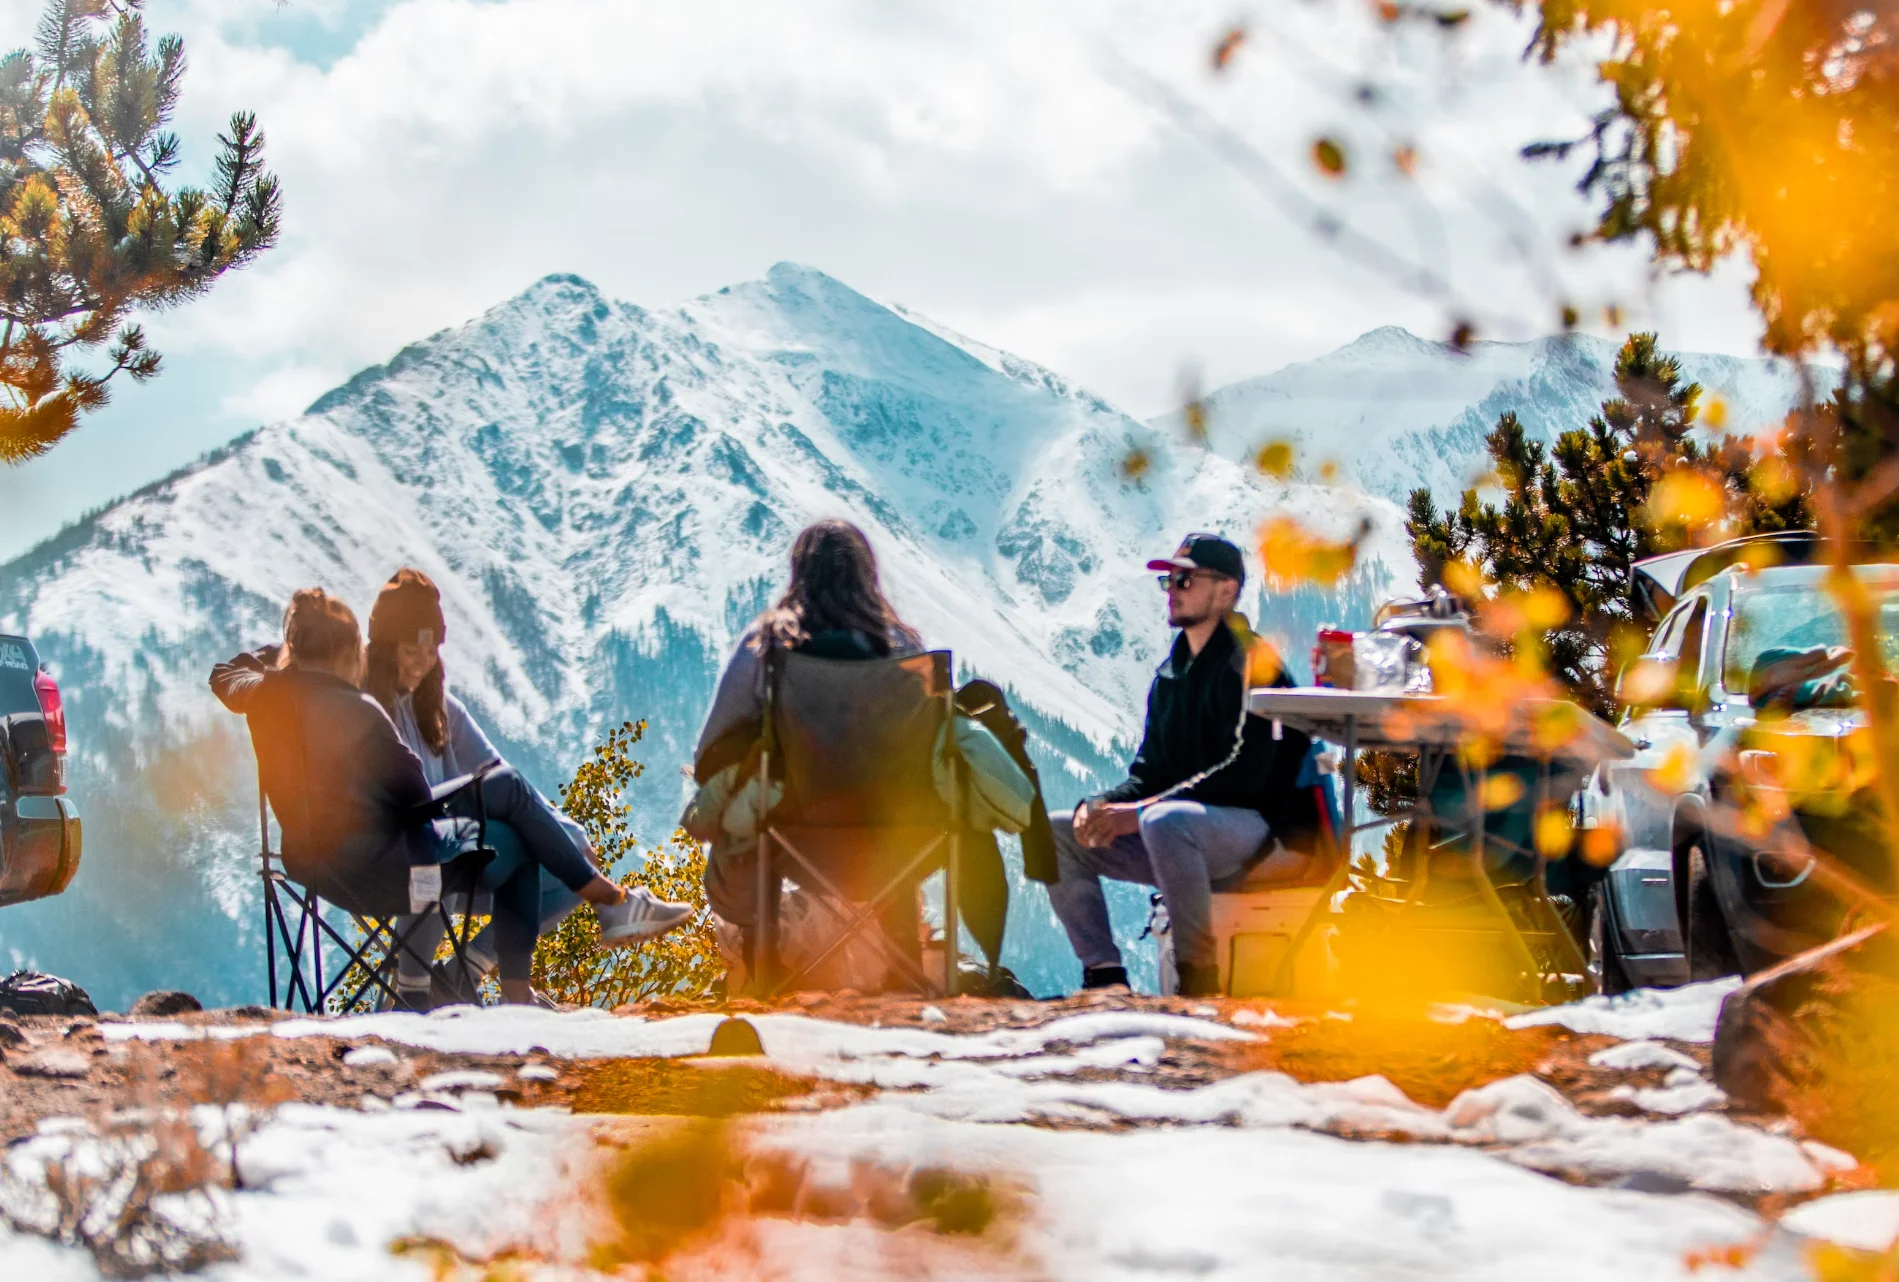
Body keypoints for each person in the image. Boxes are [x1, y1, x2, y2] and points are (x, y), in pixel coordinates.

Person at [210, 588, 666, 1010]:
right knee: (505, 796)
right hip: (393, 869)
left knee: (507, 817)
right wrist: (470, 808)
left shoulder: (265, 695)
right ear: (353, 654)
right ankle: (581, 928)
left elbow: (226, 675)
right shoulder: (360, 712)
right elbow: (413, 797)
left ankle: (445, 986)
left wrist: (284, 661)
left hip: (312, 863)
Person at [690, 519, 1022, 985]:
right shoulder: (905, 648)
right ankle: (903, 967)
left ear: (797, 574)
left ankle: (764, 961)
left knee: (754, 823)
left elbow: (711, 753)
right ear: (869, 576)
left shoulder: (766, 646)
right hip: (905, 843)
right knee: (892, 809)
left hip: (793, 843)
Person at [361, 568, 693, 1004]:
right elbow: (494, 785)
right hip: (401, 854)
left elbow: (499, 773)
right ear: (383, 648)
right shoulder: (361, 707)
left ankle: (466, 971)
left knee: (562, 851)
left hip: (456, 852)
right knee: (515, 833)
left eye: (432, 651)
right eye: (411, 650)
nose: (422, 663)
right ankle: (611, 901)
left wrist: (567, 834)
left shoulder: (439, 709)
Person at [1047, 533, 1318, 998]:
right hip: (1188, 835)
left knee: (1165, 821)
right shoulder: (1169, 677)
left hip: (1271, 836)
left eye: (1185, 579)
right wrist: (1101, 804)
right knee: (1056, 831)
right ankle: (1105, 977)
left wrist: (1142, 812)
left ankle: (1198, 980)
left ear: (1227, 591)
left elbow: (1245, 776)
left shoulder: (1254, 663)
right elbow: (1148, 771)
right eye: (1169, 579)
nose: (1172, 588)